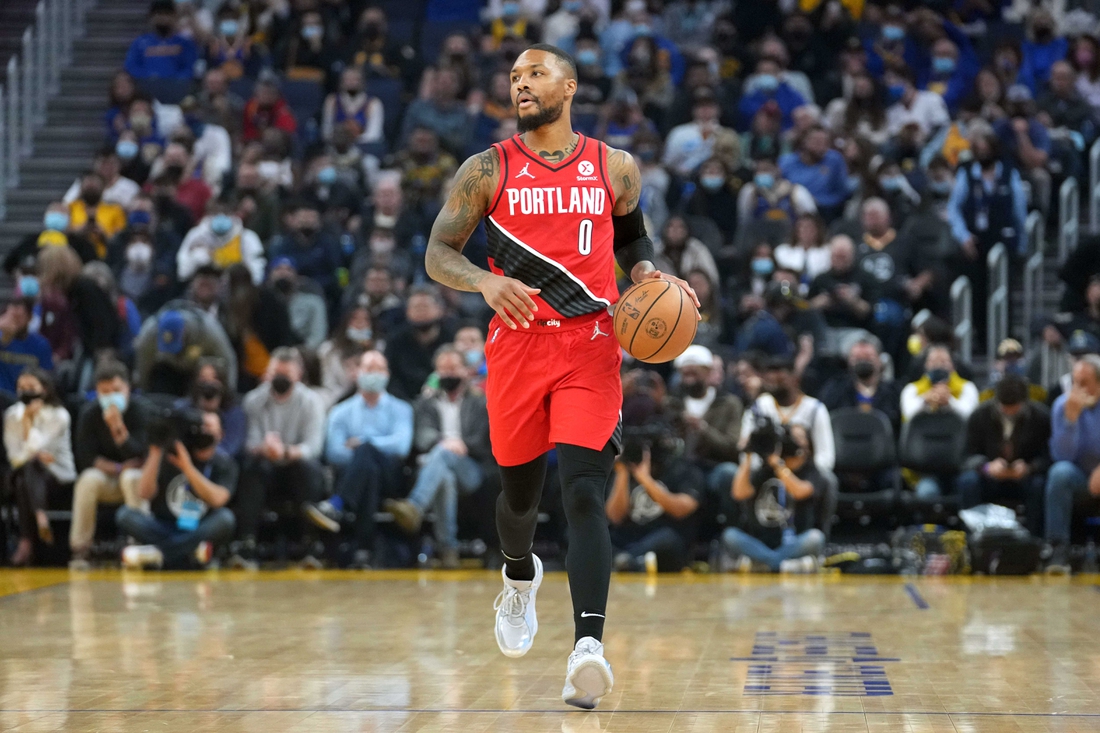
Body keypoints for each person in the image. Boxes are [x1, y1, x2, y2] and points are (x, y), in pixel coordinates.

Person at [424, 44, 698, 709]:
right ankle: (519, 577)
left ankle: (588, 647)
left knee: (582, 492)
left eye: (535, 74)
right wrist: (485, 280)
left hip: (591, 344)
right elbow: (438, 252)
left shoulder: (615, 167)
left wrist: (646, 278)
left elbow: (633, 240)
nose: (521, 84)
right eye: (514, 77)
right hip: (516, 346)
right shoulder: (485, 169)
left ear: (569, 86)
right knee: (518, 499)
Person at [384, 346, 492, 569]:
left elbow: (483, 440)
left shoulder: (480, 402)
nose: (447, 374)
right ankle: (448, 549)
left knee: (443, 454)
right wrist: (445, 442)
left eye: (452, 368)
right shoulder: (426, 402)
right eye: (442, 369)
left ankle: (415, 505)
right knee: (445, 477)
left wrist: (459, 444)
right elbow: (422, 437)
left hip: (471, 468)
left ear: (465, 371)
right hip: (438, 466)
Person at [303, 351, 413, 567]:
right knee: (368, 469)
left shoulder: (402, 408)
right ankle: (364, 551)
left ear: (387, 374)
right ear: (357, 373)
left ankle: (337, 504)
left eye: (378, 369)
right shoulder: (340, 411)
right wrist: (364, 455)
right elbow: (333, 452)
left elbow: (401, 447)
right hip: (357, 474)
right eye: (368, 368)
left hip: (392, 476)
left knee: (366, 451)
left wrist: (364, 442)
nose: (373, 374)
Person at [233, 348, 326, 568]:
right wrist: (264, 449)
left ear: (299, 375)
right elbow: (249, 443)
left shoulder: (312, 401)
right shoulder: (253, 400)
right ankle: (247, 543)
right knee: (252, 467)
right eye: (276, 372)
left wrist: (285, 452)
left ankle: (311, 544)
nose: (280, 378)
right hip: (266, 467)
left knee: (308, 467)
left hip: (295, 467)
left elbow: (313, 447)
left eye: (286, 373)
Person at [117, 411, 236, 569]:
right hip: (164, 526)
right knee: (125, 515)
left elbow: (218, 499)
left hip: (198, 527)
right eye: (201, 427)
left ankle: (160, 554)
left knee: (225, 518)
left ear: (220, 434)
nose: (204, 432)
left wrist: (187, 467)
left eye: (209, 427)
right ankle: (189, 552)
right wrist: (155, 450)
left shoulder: (225, 463)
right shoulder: (169, 453)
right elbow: (144, 493)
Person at [69, 360, 149, 569]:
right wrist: (119, 467)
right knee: (87, 481)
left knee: (132, 478)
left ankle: (138, 545)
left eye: (116, 390)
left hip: (135, 480)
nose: (110, 397)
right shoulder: (89, 414)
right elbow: (86, 459)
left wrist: (119, 432)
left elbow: (142, 454)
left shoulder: (141, 411)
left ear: (128, 388)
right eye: (104, 392)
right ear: (97, 392)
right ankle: (80, 549)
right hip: (108, 478)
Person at [722, 424, 825, 572]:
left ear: (809, 442)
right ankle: (782, 564)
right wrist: (748, 456)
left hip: (794, 541)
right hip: (761, 542)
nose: (796, 441)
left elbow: (800, 492)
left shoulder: (811, 471)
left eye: (800, 437)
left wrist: (779, 466)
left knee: (815, 538)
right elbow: (739, 493)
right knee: (730, 535)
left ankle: (763, 563)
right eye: (791, 436)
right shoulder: (765, 470)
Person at [957, 374, 1050, 537]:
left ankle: (1034, 541)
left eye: (1013, 408)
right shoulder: (979, 415)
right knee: (968, 481)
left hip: (1025, 478)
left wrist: (1030, 467)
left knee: (1039, 485)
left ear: (1024, 403)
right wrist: (986, 467)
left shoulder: (1040, 417)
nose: (1008, 412)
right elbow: (965, 457)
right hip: (990, 478)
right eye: (1003, 408)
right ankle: (972, 539)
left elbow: (1049, 457)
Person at [607, 417, 703, 574]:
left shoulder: (683, 469)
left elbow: (681, 509)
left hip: (664, 539)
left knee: (667, 539)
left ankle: (625, 561)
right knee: (597, 536)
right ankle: (628, 561)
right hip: (630, 537)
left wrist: (645, 479)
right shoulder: (625, 469)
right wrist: (622, 473)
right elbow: (615, 516)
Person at [3, 369, 74, 566]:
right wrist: (25, 420)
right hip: (28, 475)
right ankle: (40, 517)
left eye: (31, 388)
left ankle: (25, 542)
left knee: (29, 469)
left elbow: (36, 449)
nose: (26, 392)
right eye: (21, 388)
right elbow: (15, 458)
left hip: (58, 475)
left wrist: (31, 445)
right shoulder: (11, 416)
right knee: (28, 470)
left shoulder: (59, 415)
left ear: (44, 389)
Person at [1043, 355, 1100, 574]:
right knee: (1059, 473)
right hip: (1079, 477)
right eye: (1075, 382)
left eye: (1084, 383)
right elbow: (1062, 456)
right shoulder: (1061, 406)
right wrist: (1070, 421)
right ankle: (1058, 549)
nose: (1078, 389)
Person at [900, 345, 980, 499]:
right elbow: (908, 414)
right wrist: (926, 399)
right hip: (925, 467)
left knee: (970, 484)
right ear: (925, 366)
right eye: (933, 361)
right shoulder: (912, 390)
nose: (938, 366)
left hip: (960, 466)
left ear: (953, 365)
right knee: (927, 492)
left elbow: (971, 416)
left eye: (943, 361)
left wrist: (949, 401)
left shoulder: (967, 388)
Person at [134, 300, 238, 396]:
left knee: (207, 377)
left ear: (185, 331)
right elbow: (144, 365)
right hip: (167, 367)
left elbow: (228, 359)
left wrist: (229, 393)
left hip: (198, 370)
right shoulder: (149, 334)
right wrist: (144, 391)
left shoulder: (209, 331)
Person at [384, 288, 456, 401]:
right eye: (416, 307)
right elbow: (390, 376)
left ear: (439, 309)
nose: (421, 311)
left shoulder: (452, 337)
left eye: (425, 307)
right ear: (407, 311)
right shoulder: (395, 341)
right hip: (404, 401)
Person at [123, 0, 199, 80]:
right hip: (145, 88)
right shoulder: (140, 43)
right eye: (159, 14)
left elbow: (190, 67)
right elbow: (131, 67)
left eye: (167, 14)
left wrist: (174, 79)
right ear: (151, 17)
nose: (163, 18)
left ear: (175, 17)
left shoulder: (185, 43)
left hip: (178, 88)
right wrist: (148, 77)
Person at [0, 298, 53, 394]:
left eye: (18, 317)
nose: (13, 321)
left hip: (26, 397)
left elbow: (46, 379)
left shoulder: (40, 344)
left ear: (30, 318)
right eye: (10, 316)